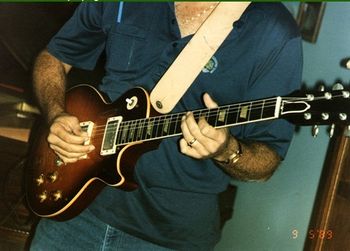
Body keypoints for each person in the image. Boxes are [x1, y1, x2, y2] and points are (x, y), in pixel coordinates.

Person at [30, 2, 302, 250]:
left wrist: (226, 150)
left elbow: (267, 160)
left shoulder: (275, 32)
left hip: (169, 237)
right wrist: (55, 113)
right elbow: (53, 59)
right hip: (77, 207)